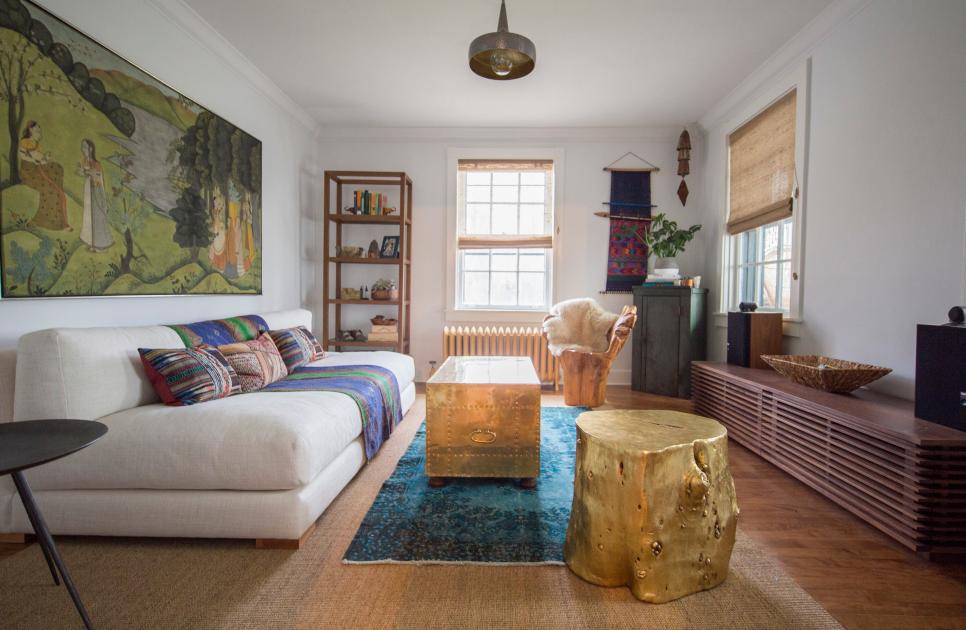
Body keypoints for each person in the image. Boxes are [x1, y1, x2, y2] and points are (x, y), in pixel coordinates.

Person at [18, 121, 69, 231]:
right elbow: (23, 155)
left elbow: (41, 160)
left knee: (57, 168)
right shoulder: (25, 141)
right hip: (29, 171)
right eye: (37, 130)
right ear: (30, 130)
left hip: (37, 167)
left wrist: (45, 158)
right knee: (49, 189)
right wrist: (35, 160)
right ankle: (40, 220)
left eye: (39, 131)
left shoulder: (37, 145)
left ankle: (60, 221)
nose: (39, 132)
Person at [77, 139, 113, 251]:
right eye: (82, 147)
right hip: (89, 192)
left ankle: (101, 244)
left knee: (98, 218)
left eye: (85, 147)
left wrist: (86, 172)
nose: (83, 150)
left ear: (91, 149)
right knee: (89, 217)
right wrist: (83, 171)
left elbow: (96, 175)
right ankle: (91, 242)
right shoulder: (84, 161)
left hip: (96, 192)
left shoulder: (97, 164)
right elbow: (80, 172)